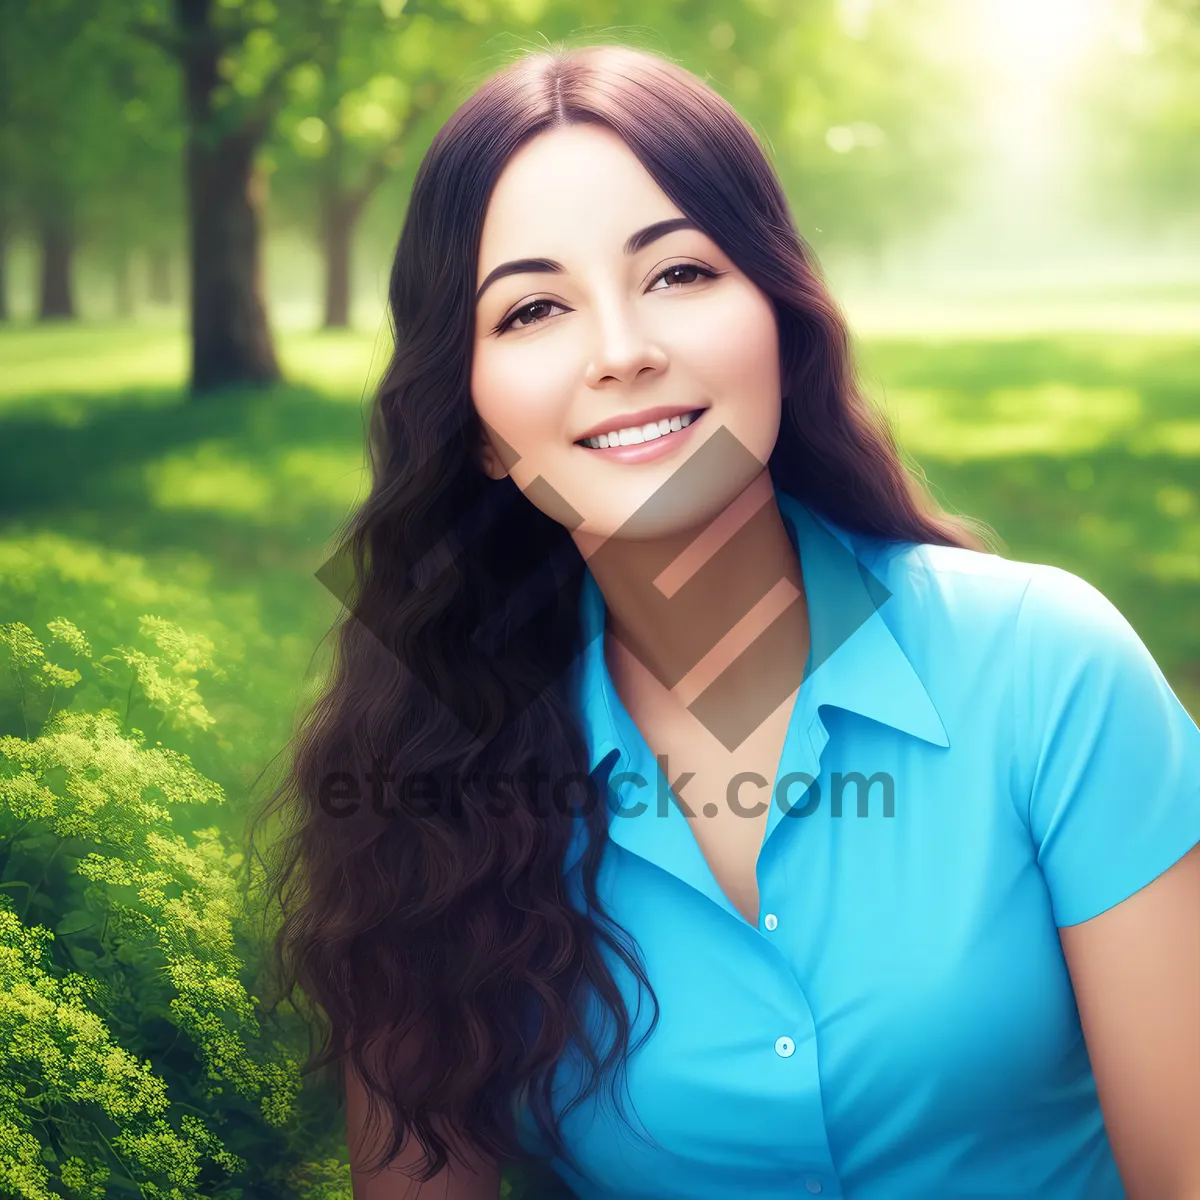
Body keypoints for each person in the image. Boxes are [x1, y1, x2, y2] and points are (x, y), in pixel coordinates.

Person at [256, 42, 1200, 1200]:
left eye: (680, 274)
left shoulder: (1049, 668)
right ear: (481, 428)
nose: (624, 352)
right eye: (535, 308)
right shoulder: (417, 770)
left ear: (780, 319)